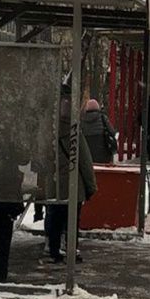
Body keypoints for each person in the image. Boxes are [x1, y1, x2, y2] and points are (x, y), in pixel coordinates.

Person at [43, 88, 98, 263]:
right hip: (74, 185)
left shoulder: (47, 129)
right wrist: (91, 186)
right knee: (72, 219)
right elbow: (84, 161)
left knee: (54, 216)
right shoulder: (75, 130)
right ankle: (71, 248)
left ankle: (52, 248)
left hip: (54, 183)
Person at [81, 98, 117, 164]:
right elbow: (112, 132)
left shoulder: (82, 120)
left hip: (88, 155)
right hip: (103, 154)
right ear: (98, 107)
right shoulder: (103, 117)